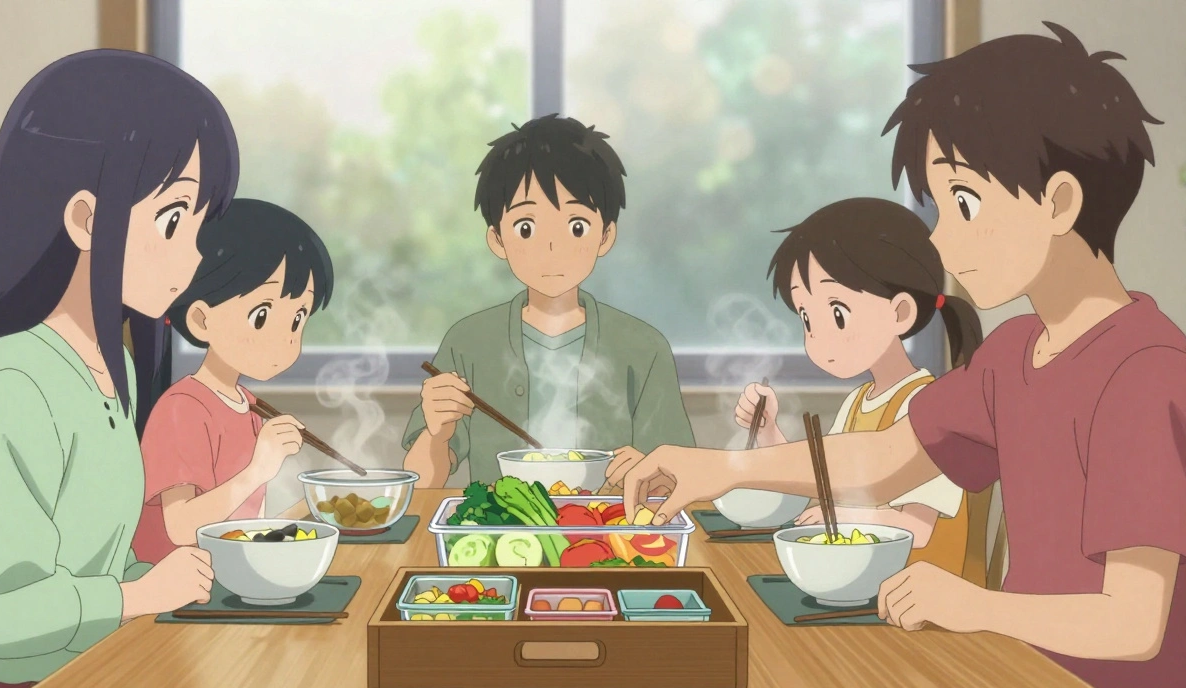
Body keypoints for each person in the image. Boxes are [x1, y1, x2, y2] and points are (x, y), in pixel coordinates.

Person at [620, 23, 1184, 688]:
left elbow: (1132, 623)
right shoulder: (1014, 353)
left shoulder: (1144, 372)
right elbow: (886, 459)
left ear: (1059, 202)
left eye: (965, 203)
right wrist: (722, 469)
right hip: (1017, 678)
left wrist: (975, 605)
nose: (942, 237)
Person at [0, 50, 239, 688]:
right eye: (174, 220)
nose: (195, 256)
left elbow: (92, 572)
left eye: (202, 226)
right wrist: (140, 595)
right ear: (86, 218)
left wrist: (191, 581)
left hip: (90, 684)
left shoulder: (110, 373)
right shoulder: (11, 383)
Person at [401, 114, 694, 488]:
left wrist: (650, 473)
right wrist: (436, 433)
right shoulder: (469, 342)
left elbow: (679, 480)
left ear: (605, 236)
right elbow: (421, 487)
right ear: (497, 239)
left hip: (607, 535)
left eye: (576, 227)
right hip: (501, 533)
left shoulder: (644, 348)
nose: (552, 247)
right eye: (527, 227)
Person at [733, 198, 982, 575]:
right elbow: (819, 482)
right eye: (806, 317)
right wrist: (768, 431)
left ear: (900, 312)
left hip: (920, 597)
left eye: (837, 313)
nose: (816, 338)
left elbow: (918, 529)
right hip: (867, 581)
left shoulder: (932, 408)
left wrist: (840, 514)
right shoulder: (858, 402)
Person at [133, 199, 334, 562]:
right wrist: (259, 468)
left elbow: (244, 521)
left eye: (297, 318)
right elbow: (179, 528)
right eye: (261, 315)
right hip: (178, 587)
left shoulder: (249, 405)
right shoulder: (183, 409)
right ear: (201, 319)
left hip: (231, 570)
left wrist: (303, 511)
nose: (285, 339)